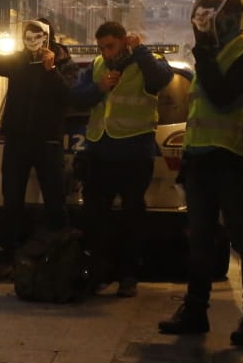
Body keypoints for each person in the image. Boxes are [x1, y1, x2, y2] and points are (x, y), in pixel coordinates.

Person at [158, 0, 243, 346]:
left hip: (234, 158)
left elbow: (223, 96)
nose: (201, 25)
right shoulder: (215, 52)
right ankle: (195, 311)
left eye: (207, 19)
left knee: (241, 237)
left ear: (228, 19)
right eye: (198, 19)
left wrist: (204, 49)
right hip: (202, 157)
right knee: (200, 239)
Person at [0, 8, 77, 281]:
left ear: (48, 39)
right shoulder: (18, 62)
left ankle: (60, 258)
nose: (32, 42)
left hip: (48, 142)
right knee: (11, 200)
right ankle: (9, 259)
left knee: (55, 201)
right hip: (17, 141)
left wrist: (51, 70)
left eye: (38, 36)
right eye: (28, 36)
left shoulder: (63, 63)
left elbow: (69, 95)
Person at [67, 21, 172, 298]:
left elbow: (162, 79)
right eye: (102, 47)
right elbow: (77, 98)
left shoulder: (146, 61)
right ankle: (98, 272)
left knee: (131, 216)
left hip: (134, 151)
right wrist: (99, 88)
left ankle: (128, 276)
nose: (107, 53)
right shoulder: (99, 65)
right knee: (95, 217)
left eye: (111, 46)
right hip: (99, 151)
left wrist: (140, 51)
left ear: (125, 41)